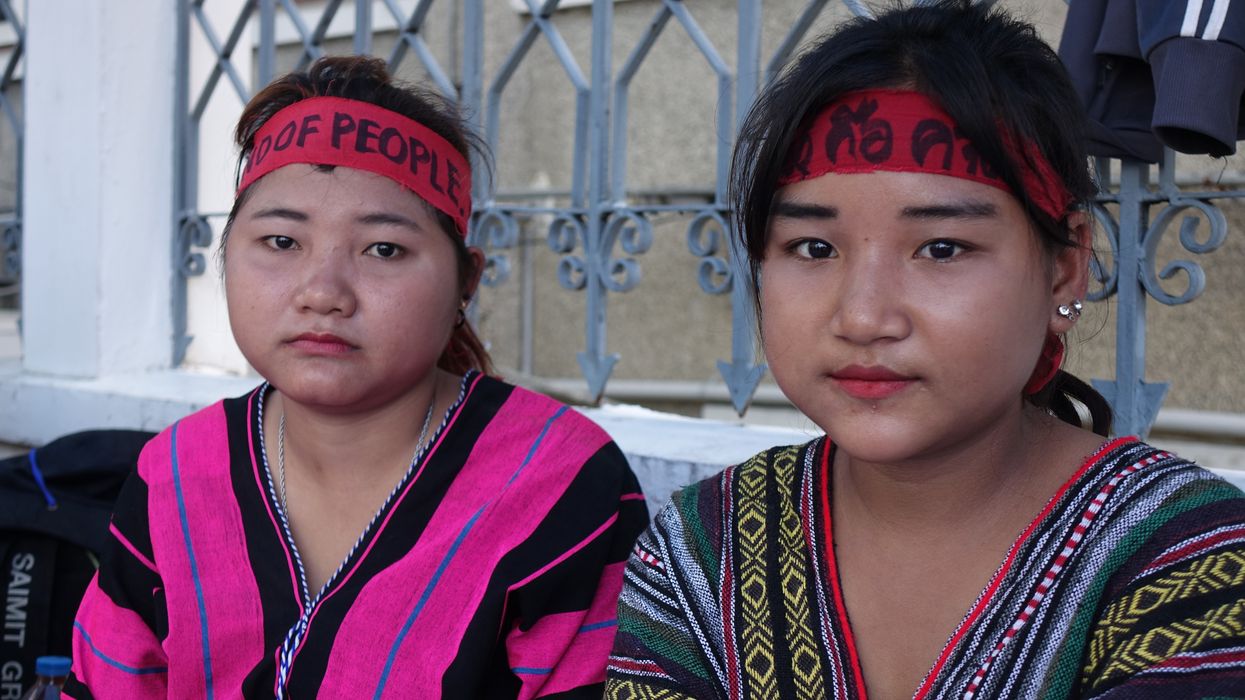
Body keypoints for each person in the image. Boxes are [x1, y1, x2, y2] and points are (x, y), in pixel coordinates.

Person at [607, 2, 1245, 698]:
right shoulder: (705, 549)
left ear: (1063, 268)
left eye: (942, 248)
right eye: (812, 248)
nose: (862, 316)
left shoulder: (1187, 558)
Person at [65, 56, 647, 698]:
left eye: (384, 249)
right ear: (226, 256)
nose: (323, 293)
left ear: (465, 282)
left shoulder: (559, 482)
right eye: (282, 242)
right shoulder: (174, 473)